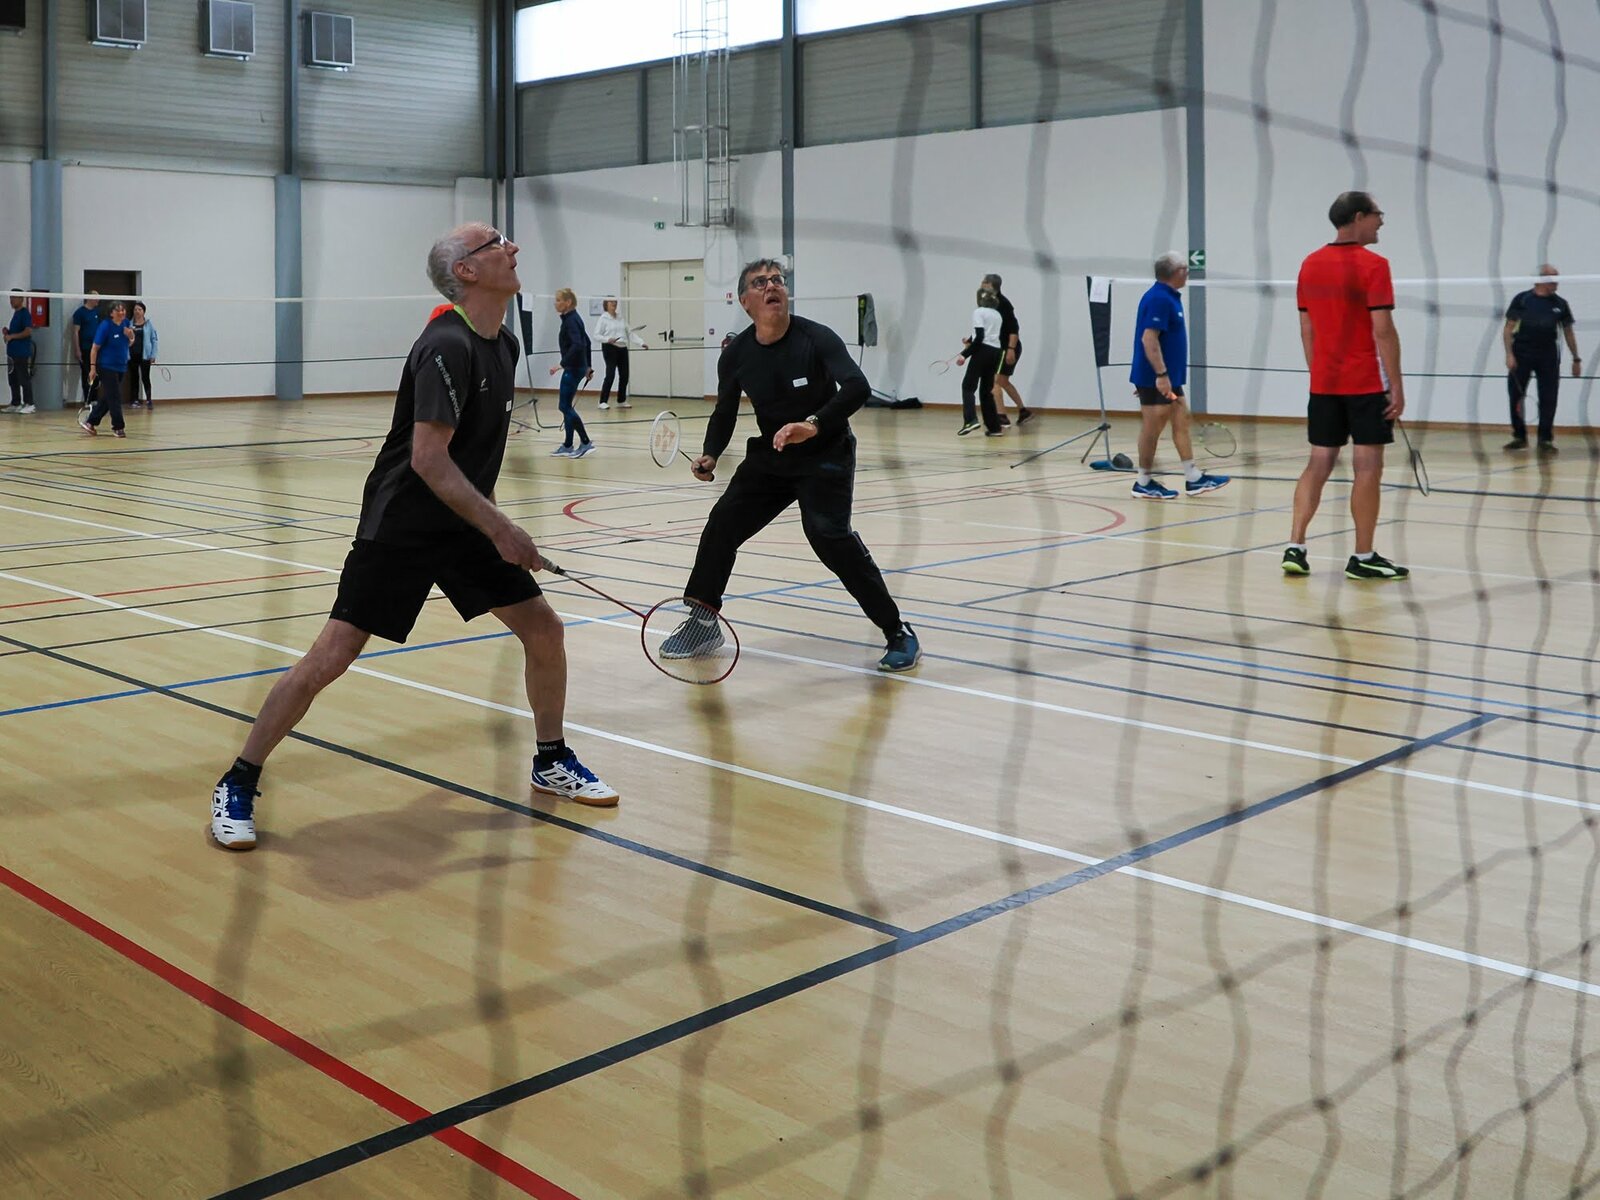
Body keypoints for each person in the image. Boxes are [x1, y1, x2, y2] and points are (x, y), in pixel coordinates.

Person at [208, 223, 619, 851]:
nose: (512, 248)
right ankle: (238, 779)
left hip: (464, 525)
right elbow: (428, 460)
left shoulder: (504, 344)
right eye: (496, 243)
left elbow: (471, 457)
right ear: (466, 271)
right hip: (402, 525)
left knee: (544, 629)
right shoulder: (445, 346)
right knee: (332, 656)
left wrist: (492, 525)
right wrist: (503, 527)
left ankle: (550, 758)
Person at [661, 257, 921, 673]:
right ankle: (703, 622)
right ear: (745, 302)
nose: (772, 286)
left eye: (777, 280)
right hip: (773, 455)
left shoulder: (816, 337)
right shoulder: (736, 355)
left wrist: (813, 424)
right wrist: (711, 452)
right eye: (760, 282)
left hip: (827, 451)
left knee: (828, 535)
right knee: (722, 523)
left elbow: (857, 386)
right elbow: (725, 411)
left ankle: (897, 630)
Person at [1283, 191, 1408, 580]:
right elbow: (1383, 330)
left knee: (1318, 462)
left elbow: (1306, 328)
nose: (1381, 221)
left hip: (1324, 384)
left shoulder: (1309, 264)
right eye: (1377, 214)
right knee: (1368, 467)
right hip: (1365, 383)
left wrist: (1318, 372)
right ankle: (1363, 555)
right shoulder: (1374, 265)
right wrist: (1397, 386)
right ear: (1358, 217)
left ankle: (1296, 546)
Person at [1127, 254, 1229, 499]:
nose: (1188, 272)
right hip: (1157, 378)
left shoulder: (1169, 297)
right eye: (1185, 268)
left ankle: (1193, 478)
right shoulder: (1159, 298)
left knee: (1181, 420)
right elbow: (1149, 339)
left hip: (1169, 378)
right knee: (1152, 428)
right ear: (1175, 272)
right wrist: (1159, 375)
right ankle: (1143, 482)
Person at [1503, 263, 1578, 454]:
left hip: (1548, 355)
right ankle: (1519, 437)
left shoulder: (1560, 304)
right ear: (1541, 280)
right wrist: (1509, 354)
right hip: (1521, 354)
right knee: (1515, 395)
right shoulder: (1522, 299)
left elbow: (1568, 332)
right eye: (1553, 278)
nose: (1557, 282)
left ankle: (1545, 440)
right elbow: (1508, 328)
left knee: (1549, 397)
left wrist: (1576, 359)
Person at [547, 288, 595, 457]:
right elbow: (587, 342)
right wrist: (588, 366)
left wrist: (561, 364)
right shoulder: (572, 318)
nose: (556, 303)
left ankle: (586, 442)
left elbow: (578, 345)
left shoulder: (571, 321)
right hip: (578, 367)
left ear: (568, 302)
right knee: (566, 406)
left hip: (573, 368)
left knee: (564, 406)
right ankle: (568, 445)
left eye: (559, 300)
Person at [981, 273, 1033, 425]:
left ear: (992, 285)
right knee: (1003, 381)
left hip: (1007, 348)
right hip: (999, 348)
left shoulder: (1003, 304)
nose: (982, 284)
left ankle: (1001, 416)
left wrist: (1011, 349)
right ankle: (1024, 411)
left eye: (985, 282)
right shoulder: (987, 303)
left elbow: (1014, 328)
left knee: (995, 381)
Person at [955, 287, 1005, 437]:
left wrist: (964, 355)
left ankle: (970, 420)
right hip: (996, 352)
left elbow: (980, 337)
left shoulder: (978, 312)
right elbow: (985, 334)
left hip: (982, 351)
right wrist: (970, 340)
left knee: (968, 386)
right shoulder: (997, 314)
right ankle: (994, 428)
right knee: (986, 391)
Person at [82, 300, 132, 437]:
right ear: (111, 313)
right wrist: (92, 368)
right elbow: (94, 348)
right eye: (118, 310)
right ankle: (118, 427)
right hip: (106, 366)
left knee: (108, 396)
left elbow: (130, 342)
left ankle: (91, 422)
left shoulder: (126, 323)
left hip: (121, 366)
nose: (121, 312)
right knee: (115, 396)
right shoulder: (105, 326)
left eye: (123, 310)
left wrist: (130, 336)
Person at [594, 298, 647, 410]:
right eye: (611, 302)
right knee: (610, 374)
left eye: (615, 302)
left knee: (624, 375)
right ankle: (602, 401)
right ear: (606, 304)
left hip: (622, 348)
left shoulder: (620, 318)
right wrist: (608, 339)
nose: (614, 303)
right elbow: (596, 335)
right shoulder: (603, 319)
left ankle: (621, 400)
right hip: (610, 347)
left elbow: (630, 333)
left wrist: (641, 343)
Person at [2, 289, 34, 414]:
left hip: (21, 353)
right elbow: (15, 332)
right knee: (13, 379)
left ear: (21, 299)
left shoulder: (25, 314)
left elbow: (28, 331)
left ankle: (29, 403)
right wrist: (8, 332)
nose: (11, 300)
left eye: (14, 298)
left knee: (23, 378)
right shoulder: (16, 314)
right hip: (12, 353)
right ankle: (16, 402)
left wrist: (12, 336)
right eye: (11, 298)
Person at [71, 292, 103, 408]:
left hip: (97, 349)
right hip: (85, 348)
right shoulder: (79, 313)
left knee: (96, 374)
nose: (98, 300)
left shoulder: (97, 312)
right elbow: (75, 332)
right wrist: (77, 349)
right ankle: (88, 400)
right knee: (87, 374)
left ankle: (95, 399)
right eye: (96, 298)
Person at [126, 300, 159, 410]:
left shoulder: (149, 324)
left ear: (143, 311)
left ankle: (149, 400)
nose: (137, 311)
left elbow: (154, 340)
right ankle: (135, 400)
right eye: (135, 309)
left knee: (146, 378)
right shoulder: (129, 324)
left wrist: (153, 355)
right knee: (134, 378)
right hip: (132, 355)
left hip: (145, 356)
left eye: (139, 309)